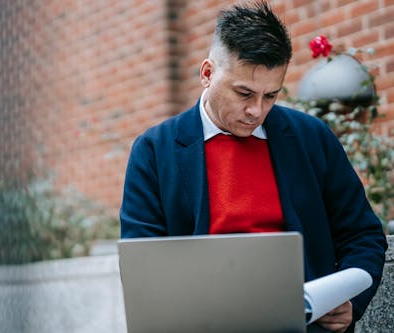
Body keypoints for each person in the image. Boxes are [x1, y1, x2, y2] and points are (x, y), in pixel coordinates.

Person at [119, 1, 387, 332]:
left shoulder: (312, 138)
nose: (256, 111)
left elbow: (363, 235)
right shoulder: (154, 151)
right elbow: (142, 264)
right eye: (244, 93)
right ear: (207, 74)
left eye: (270, 96)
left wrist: (352, 303)